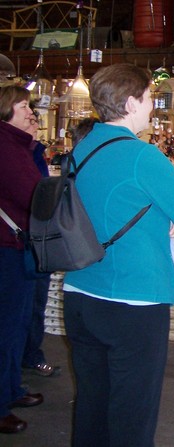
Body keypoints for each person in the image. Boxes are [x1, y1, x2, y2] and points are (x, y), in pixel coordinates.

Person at [62, 64, 174, 447]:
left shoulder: (81, 149)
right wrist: (171, 221)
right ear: (129, 103)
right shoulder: (144, 156)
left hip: (79, 291)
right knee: (132, 411)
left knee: (92, 402)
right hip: (134, 301)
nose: (152, 107)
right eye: (148, 99)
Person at [0, 85, 45, 435]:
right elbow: (32, 195)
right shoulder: (6, 148)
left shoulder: (17, 146)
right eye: (23, 105)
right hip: (7, 250)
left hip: (15, 247)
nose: (30, 111)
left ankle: (11, 389)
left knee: (16, 324)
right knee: (7, 326)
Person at [21, 109, 61, 378]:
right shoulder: (13, 152)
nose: (34, 124)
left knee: (35, 301)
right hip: (18, 238)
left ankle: (31, 355)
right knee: (19, 306)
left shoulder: (34, 151)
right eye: (28, 117)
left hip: (36, 238)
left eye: (35, 119)